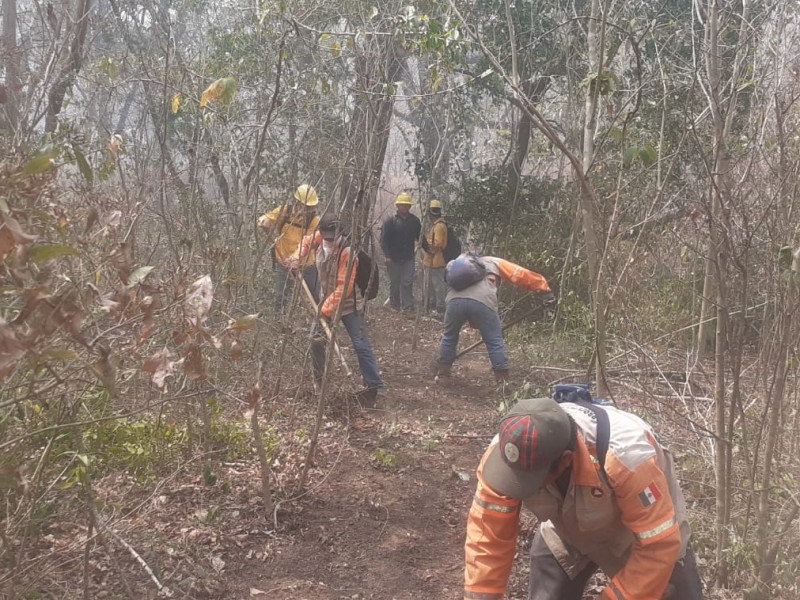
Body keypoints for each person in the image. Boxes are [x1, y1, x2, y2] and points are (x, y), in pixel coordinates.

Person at [464, 396, 704, 600]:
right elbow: (487, 537)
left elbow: (658, 546)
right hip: (566, 531)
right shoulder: (506, 455)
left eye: (530, 481)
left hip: (643, 537)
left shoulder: (628, 459)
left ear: (565, 461)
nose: (515, 484)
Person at [291, 213, 384, 407]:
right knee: (316, 341)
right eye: (326, 236)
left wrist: (323, 310)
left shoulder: (348, 253)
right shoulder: (319, 238)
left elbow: (344, 288)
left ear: (340, 232)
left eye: (333, 236)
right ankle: (320, 382)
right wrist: (295, 259)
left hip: (349, 305)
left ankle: (373, 386)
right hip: (326, 301)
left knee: (360, 344)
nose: (329, 240)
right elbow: (306, 242)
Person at [436, 254, 554, 380]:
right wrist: (544, 290)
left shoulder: (457, 263)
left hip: (454, 301)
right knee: (494, 340)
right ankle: (502, 382)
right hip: (482, 301)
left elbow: (445, 280)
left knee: (449, 336)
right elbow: (520, 274)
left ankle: (443, 373)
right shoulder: (493, 262)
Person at [257, 184, 321, 312]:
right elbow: (267, 218)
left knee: (315, 297)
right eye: (307, 206)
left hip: (306, 263)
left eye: (311, 207)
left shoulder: (314, 221)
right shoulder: (285, 211)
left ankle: (321, 327)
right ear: (298, 202)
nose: (309, 209)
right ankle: (279, 323)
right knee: (281, 296)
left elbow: (307, 243)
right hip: (283, 261)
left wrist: (296, 259)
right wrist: (264, 221)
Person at [380, 192, 421, 312]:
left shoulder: (415, 221)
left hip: (408, 257)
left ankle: (408, 306)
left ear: (409, 207)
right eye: (402, 205)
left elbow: (420, 238)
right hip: (393, 258)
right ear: (397, 206)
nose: (404, 207)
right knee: (395, 282)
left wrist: (429, 250)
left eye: (406, 205)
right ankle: (394, 305)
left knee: (407, 281)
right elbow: (383, 240)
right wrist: (387, 256)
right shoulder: (390, 221)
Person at [420, 199, 448, 317]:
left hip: (436, 262)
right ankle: (431, 305)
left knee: (438, 286)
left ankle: (440, 308)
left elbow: (438, 243)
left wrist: (429, 249)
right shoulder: (437, 226)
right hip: (431, 261)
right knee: (430, 285)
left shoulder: (439, 226)